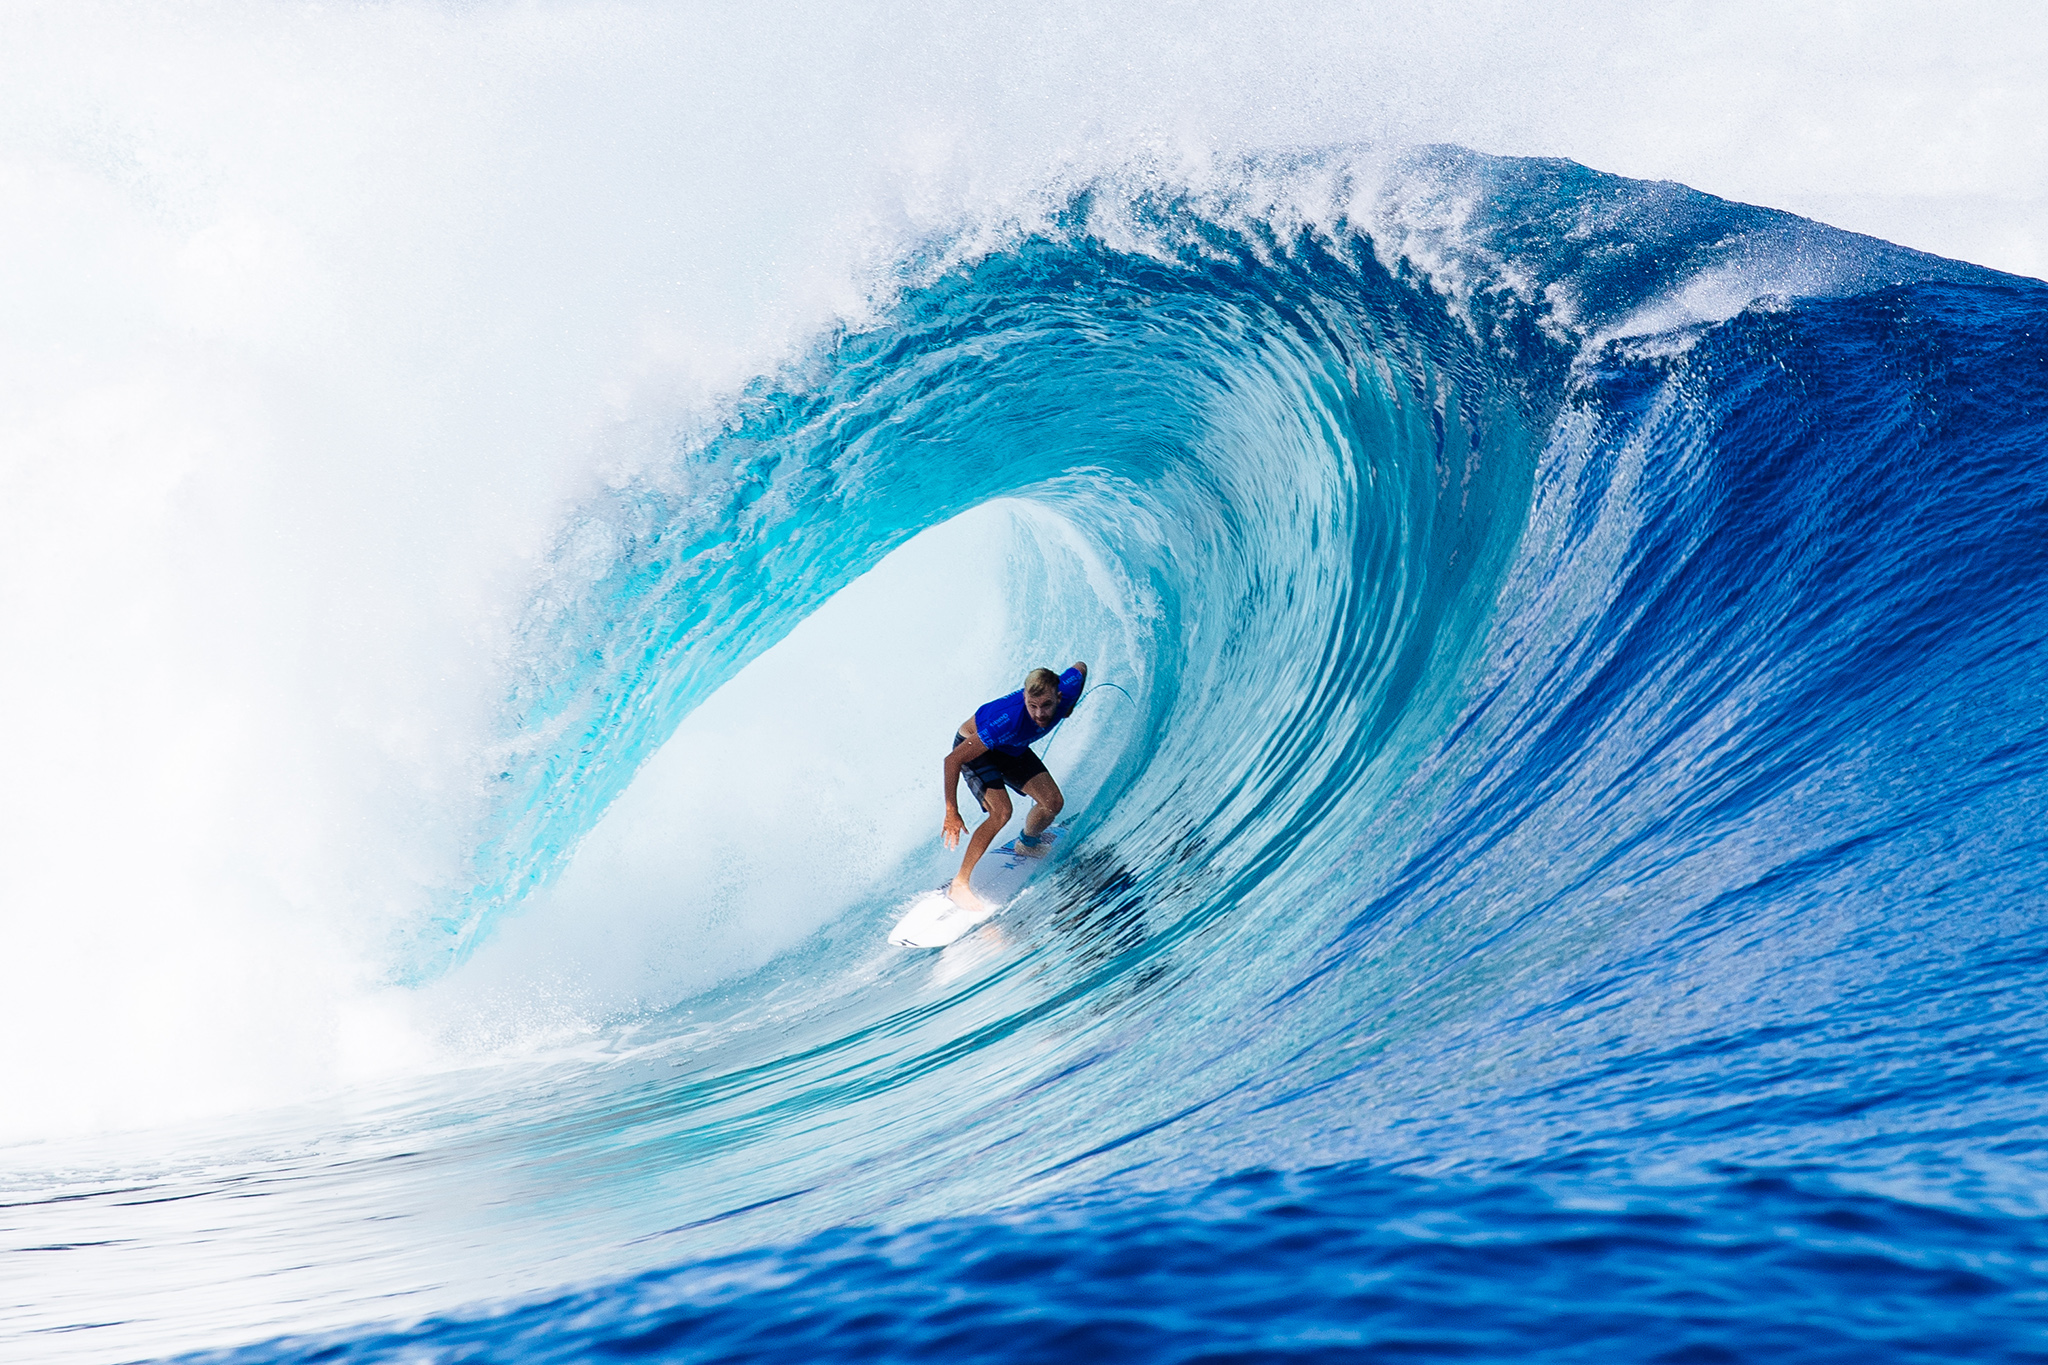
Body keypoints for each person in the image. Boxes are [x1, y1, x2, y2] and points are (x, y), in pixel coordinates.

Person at [942, 661, 1088, 910]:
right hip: (974, 746)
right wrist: (951, 812)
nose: (1040, 714)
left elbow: (1080, 668)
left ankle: (1027, 844)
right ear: (1024, 699)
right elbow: (952, 760)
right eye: (1032, 706)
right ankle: (960, 883)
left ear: (1059, 695)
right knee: (1002, 812)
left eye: (1047, 705)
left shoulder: (1068, 689)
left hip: (1010, 748)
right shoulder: (1008, 720)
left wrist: (1069, 707)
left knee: (1053, 803)